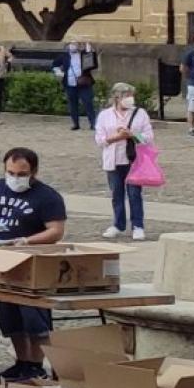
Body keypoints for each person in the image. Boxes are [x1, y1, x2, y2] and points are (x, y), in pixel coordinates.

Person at [0, 148, 69, 381]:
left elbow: (56, 231)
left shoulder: (47, 196)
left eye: (21, 173)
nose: (15, 178)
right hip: (0, 262)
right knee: (8, 316)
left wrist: (25, 240)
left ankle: (36, 363)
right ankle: (22, 361)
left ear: (33, 171)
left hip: (32, 265)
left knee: (33, 318)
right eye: (11, 172)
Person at [95, 82, 155, 240]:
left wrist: (132, 135)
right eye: (126, 95)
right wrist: (115, 137)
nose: (130, 99)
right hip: (113, 161)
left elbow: (148, 137)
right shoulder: (105, 115)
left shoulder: (140, 113)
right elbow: (100, 140)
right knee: (117, 194)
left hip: (133, 160)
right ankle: (118, 224)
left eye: (131, 95)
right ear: (117, 97)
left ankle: (138, 226)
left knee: (134, 194)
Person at [57, 40, 98, 130]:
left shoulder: (84, 54)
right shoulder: (64, 56)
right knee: (73, 104)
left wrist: (91, 52)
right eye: (71, 43)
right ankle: (75, 124)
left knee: (88, 103)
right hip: (70, 84)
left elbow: (93, 65)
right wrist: (59, 73)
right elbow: (55, 65)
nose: (73, 46)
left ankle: (93, 123)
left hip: (84, 83)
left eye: (75, 44)